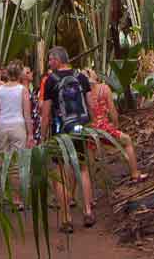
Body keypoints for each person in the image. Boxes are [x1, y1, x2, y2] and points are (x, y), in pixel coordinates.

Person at [41, 46, 95, 232]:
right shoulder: (81, 77)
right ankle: (88, 211)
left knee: (61, 173)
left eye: (50, 60)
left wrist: (43, 135)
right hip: (80, 128)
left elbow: (46, 113)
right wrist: (92, 127)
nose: (49, 63)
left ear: (57, 60)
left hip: (61, 130)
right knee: (83, 169)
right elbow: (90, 104)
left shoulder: (51, 81)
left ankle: (66, 218)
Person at [82, 69, 147, 182]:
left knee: (89, 160)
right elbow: (112, 111)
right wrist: (115, 126)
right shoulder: (104, 88)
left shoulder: (82, 93)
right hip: (104, 127)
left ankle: (89, 191)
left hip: (90, 130)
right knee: (127, 141)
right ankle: (135, 174)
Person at [21, 65, 41, 144]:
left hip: (35, 124)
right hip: (30, 126)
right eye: (28, 72)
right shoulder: (23, 91)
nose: (31, 74)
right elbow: (26, 112)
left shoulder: (30, 89)